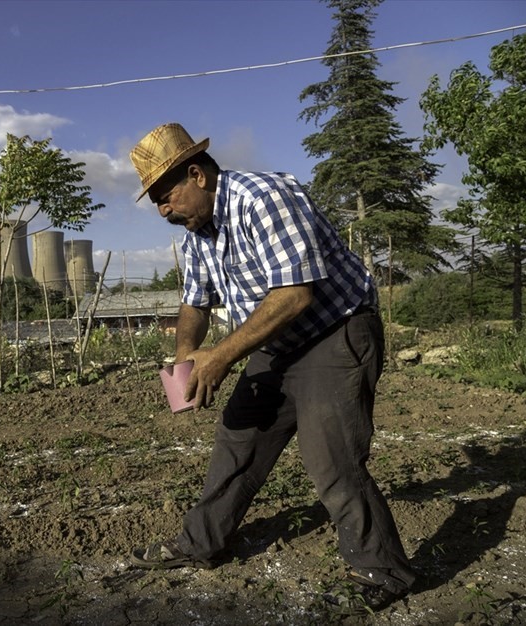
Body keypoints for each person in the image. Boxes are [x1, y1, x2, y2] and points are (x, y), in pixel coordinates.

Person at [127, 123, 415, 614]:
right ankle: (202, 543)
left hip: (334, 333)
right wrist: (184, 359)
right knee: (238, 439)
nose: (163, 210)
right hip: (276, 344)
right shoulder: (200, 231)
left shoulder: (264, 197)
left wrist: (218, 357)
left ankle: (383, 570)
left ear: (196, 174)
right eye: (155, 201)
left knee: (333, 459)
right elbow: (195, 303)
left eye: (166, 195)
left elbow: (295, 294)